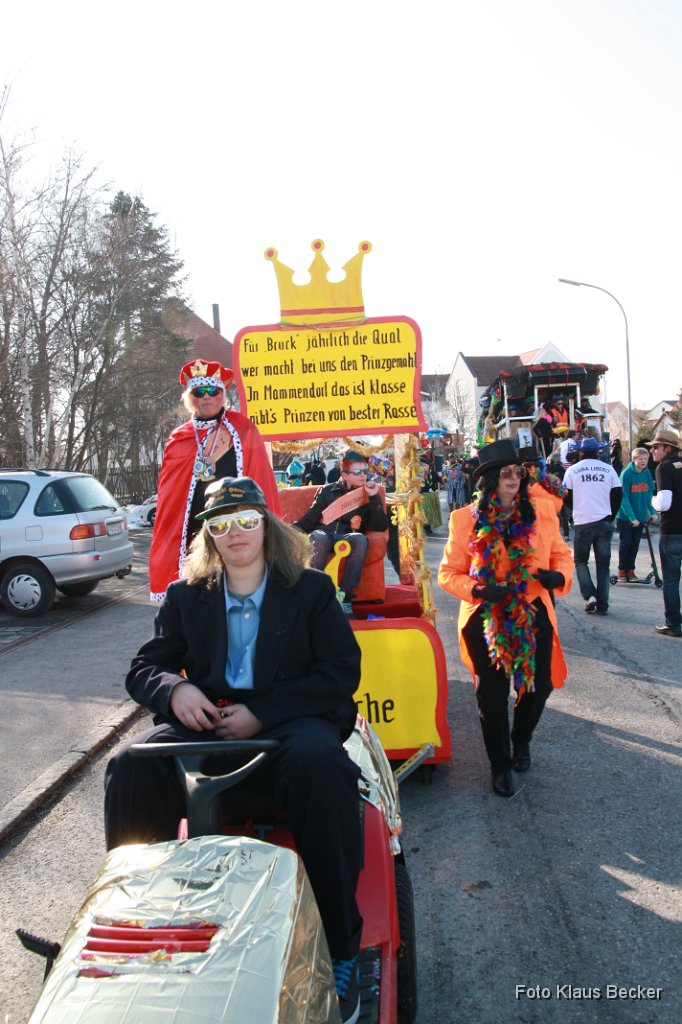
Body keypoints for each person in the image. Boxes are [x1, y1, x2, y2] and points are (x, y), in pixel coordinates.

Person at [105, 476, 364, 1023]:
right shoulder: (185, 597)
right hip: (210, 726)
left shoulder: (311, 591)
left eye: (247, 520)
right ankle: (132, 923)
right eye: (221, 524)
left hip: (289, 725)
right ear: (209, 536)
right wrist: (177, 689)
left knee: (322, 765)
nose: (235, 532)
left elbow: (340, 672)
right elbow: (143, 668)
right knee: (130, 765)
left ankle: (341, 946)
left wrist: (264, 713)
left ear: (267, 525)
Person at [438, 440, 573, 798]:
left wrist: (558, 578)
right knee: (492, 695)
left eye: (518, 471)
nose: (514, 478)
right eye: (506, 473)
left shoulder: (541, 512)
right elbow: (448, 573)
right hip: (486, 615)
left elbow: (562, 555)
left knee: (539, 685)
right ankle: (500, 765)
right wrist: (479, 590)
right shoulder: (464, 519)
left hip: (532, 608)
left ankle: (521, 739)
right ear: (489, 480)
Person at [149, 360, 280, 602]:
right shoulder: (179, 438)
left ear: (222, 395)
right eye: (199, 392)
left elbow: (262, 482)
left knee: (239, 584)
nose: (207, 397)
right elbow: (171, 498)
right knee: (201, 590)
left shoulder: (243, 429)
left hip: (236, 522)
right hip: (195, 527)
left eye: (214, 391)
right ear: (190, 399)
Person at [293, 449, 389, 606]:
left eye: (365, 471)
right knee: (319, 537)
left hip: (348, 536)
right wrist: (286, 532)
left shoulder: (368, 493)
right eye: (357, 472)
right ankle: (314, 595)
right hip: (323, 534)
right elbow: (309, 520)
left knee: (360, 539)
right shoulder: (327, 491)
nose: (363, 475)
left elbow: (380, 525)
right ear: (345, 475)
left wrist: (373, 497)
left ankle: (345, 598)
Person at [562, 436, 622, 615]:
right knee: (603, 564)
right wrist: (610, 515)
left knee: (581, 561)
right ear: (597, 452)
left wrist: (576, 508)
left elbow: (565, 495)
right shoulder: (609, 469)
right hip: (603, 519)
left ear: (580, 452)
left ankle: (590, 596)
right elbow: (618, 493)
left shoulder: (573, 470)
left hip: (583, 520)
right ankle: (603, 604)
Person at [646, 429, 682, 637]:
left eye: (656, 447)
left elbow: (664, 504)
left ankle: (674, 624)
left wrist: (652, 501)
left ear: (667, 448)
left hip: (672, 531)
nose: (652, 451)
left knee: (671, 579)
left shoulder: (664, 468)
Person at [615, 447, 655, 581]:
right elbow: (623, 498)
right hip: (626, 517)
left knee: (635, 544)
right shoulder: (626, 474)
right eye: (641, 459)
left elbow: (648, 494)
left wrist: (652, 512)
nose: (644, 461)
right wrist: (632, 518)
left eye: (646, 459)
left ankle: (630, 570)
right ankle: (622, 570)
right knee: (626, 543)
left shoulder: (647, 473)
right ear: (634, 459)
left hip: (640, 516)